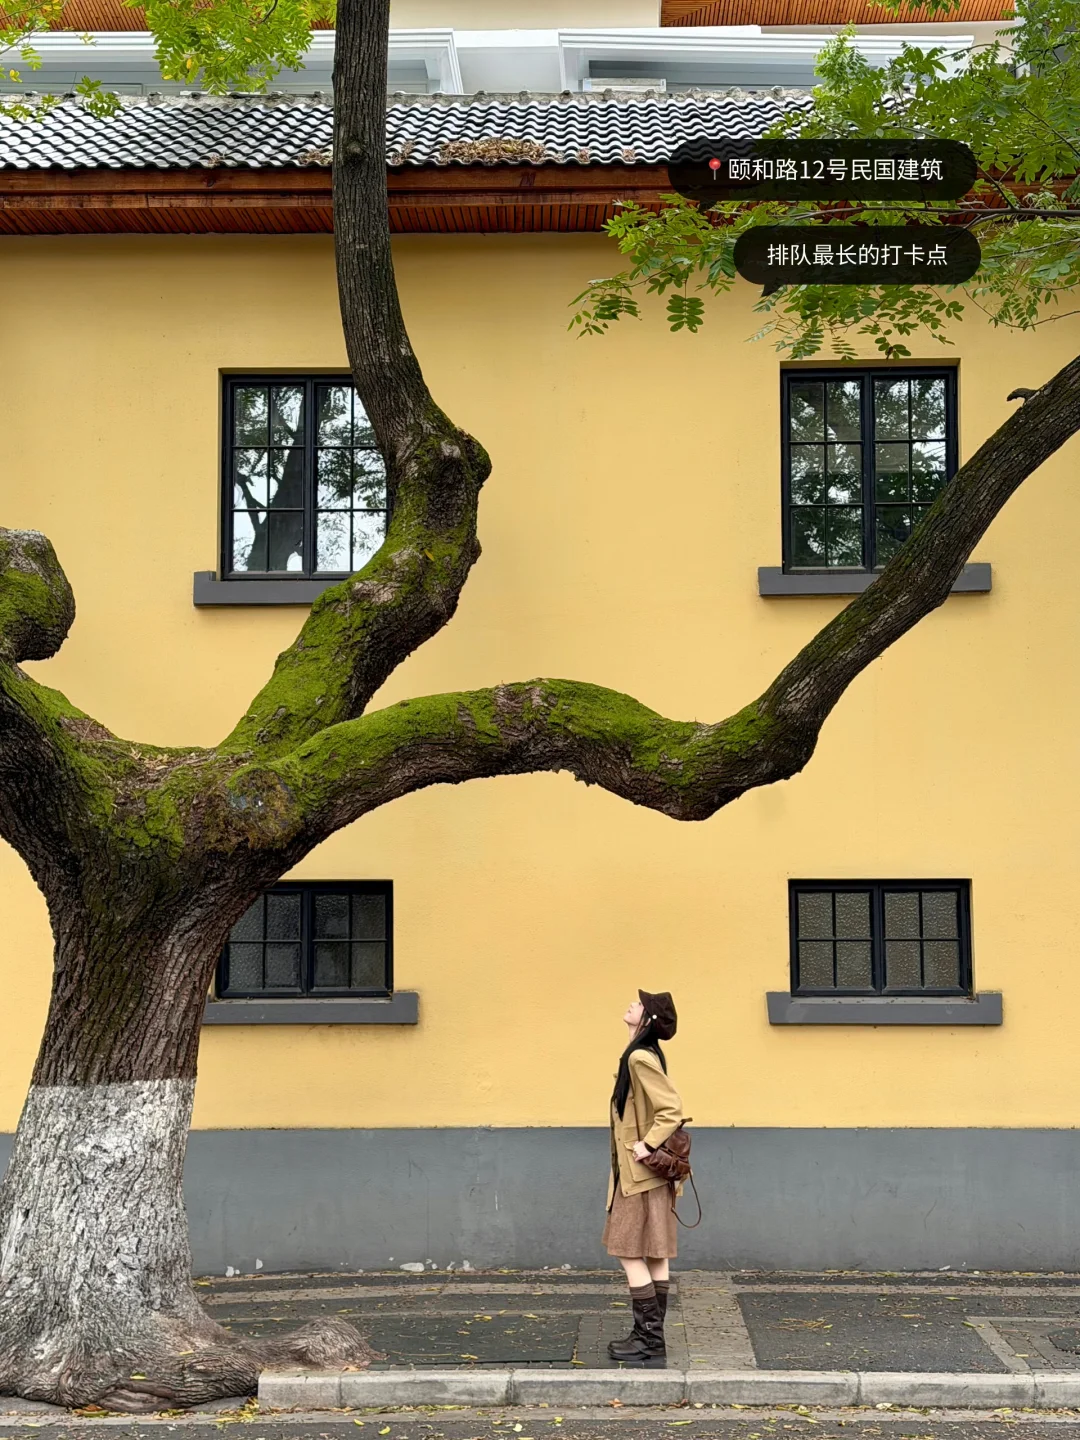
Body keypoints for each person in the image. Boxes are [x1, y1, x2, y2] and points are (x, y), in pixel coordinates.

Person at [602, 988, 684, 1367]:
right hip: (646, 1177)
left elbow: (671, 1110)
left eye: (641, 1004)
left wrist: (647, 1146)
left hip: (639, 1176)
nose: (633, 1003)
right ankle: (649, 1339)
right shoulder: (641, 1055)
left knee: (627, 1251)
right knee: (654, 1254)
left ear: (647, 1020)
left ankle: (649, 1339)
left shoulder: (638, 1057)